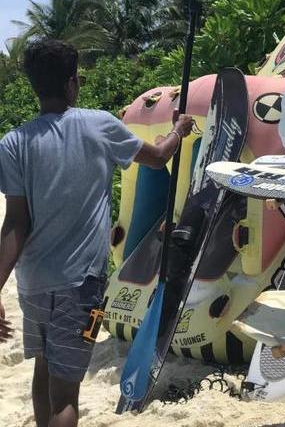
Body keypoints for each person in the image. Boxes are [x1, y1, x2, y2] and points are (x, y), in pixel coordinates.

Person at [0, 39, 194, 427]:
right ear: (73, 83)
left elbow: (15, 223)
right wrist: (178, 130)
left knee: (43, 373)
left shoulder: (14, 142)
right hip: (81, 284)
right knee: (66, 398)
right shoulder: (99, 124)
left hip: (32, 283)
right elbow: (157, 159)